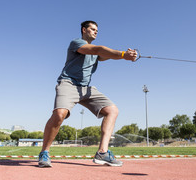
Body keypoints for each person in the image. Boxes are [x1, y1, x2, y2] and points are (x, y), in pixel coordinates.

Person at [38, 20, 137, 167]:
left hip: (85, 88)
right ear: (84, 30)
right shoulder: (77, 43)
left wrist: (127, 55)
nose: (96, 31)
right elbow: (98, 50)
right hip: (68, 84)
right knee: (60, 114)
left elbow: (105, 54)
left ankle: (102, 153)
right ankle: (44, 153)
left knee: (112, 110)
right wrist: (123, 54)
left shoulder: (97, 52)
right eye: (92, 29)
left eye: (97, 29)